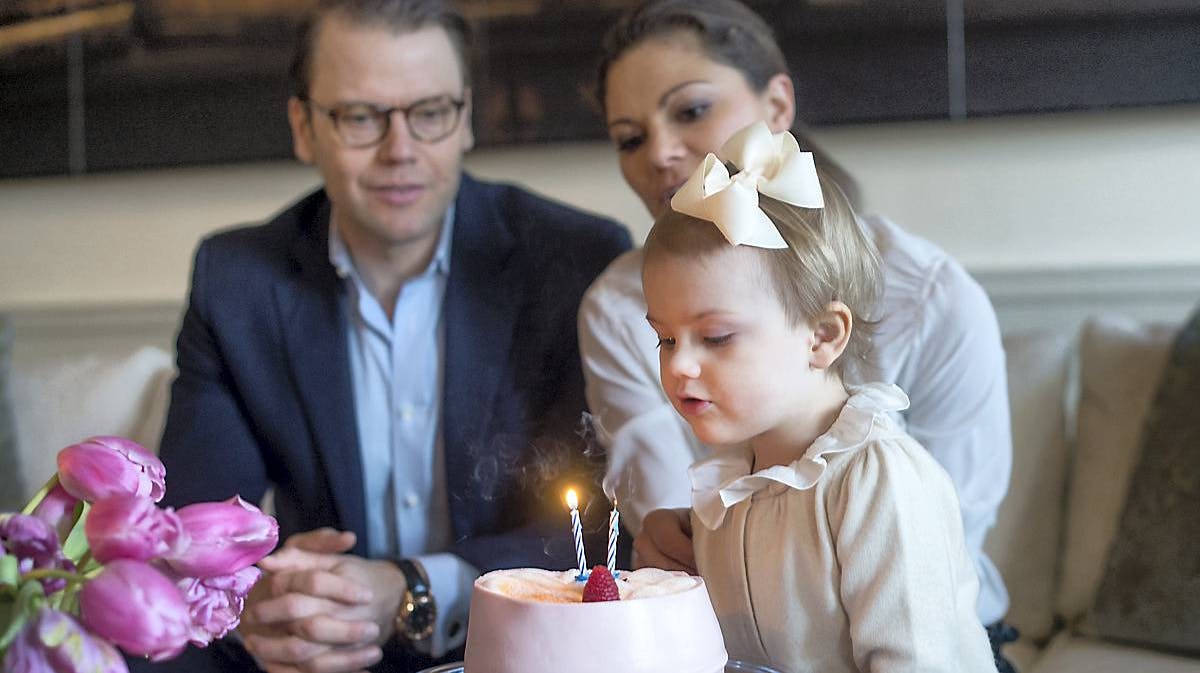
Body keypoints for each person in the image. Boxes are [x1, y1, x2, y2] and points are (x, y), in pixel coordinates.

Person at [147, 1, 631, 672]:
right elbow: (189, 530)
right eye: (361, 117)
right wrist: (255, 604)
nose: (399, 150)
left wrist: (412, 586)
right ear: (304, 128)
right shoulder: (237, 282)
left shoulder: (575, 260)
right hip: (314, 655)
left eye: (430, 112)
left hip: (517, 648)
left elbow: (606, 529)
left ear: (466, 120)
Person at [577, 0, 1017, 668]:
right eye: (630, 137)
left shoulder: (882, 464)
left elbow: (928, 581)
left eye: (691, 110)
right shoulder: (725, 478)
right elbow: (676, 551)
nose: (662, 153)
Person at [643, 120, 996, 671]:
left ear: (823, 336)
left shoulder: (876, 479)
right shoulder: (728, 486)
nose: (679, 364)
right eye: (665, 338)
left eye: (715, 338)